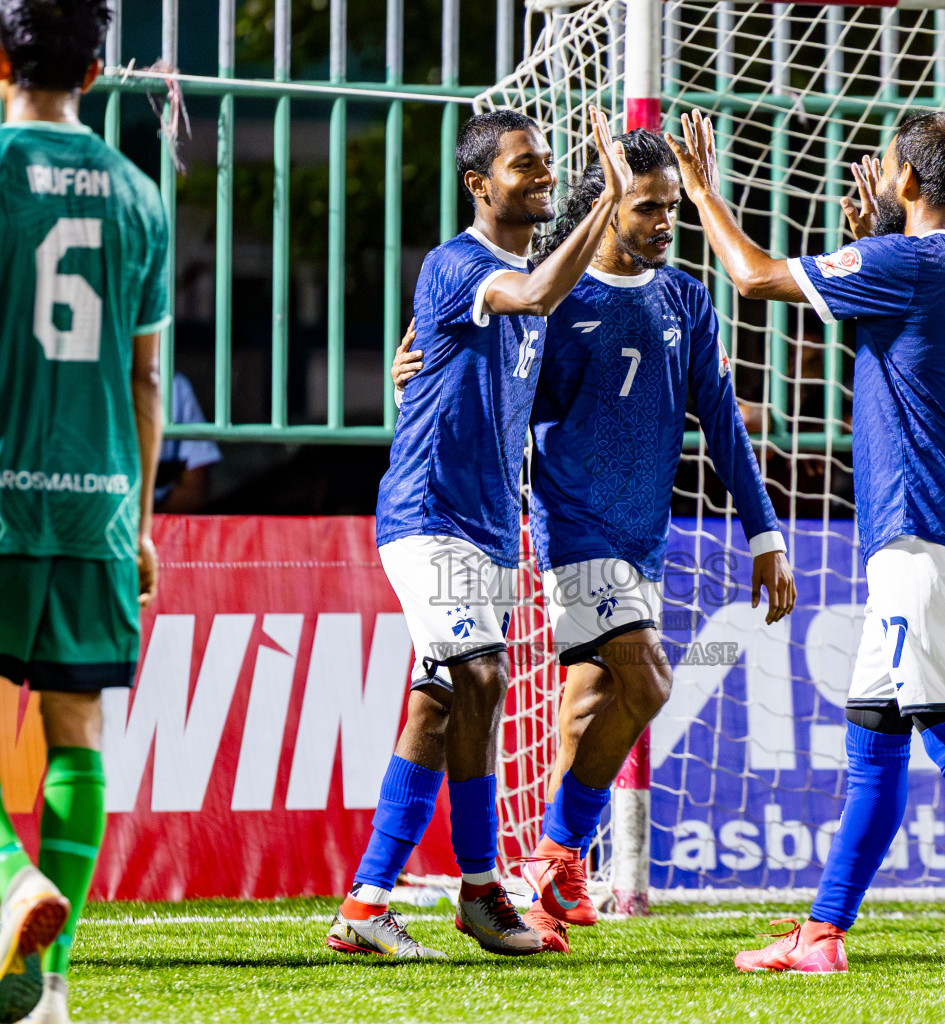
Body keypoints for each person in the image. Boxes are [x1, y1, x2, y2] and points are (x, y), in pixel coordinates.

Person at [667, 108, 945, 981]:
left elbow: (750, 276)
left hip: (921, 527)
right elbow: (904, 342)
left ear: (905, 179)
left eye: (890, 160)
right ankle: (823, 934)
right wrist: (874, 242)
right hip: (939, 523)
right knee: (874, 739)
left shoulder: (910, 263)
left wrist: (703, 192)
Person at [391, 129, 797, 951]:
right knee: (648, 679)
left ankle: (547, 874)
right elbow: (479, 378)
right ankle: (555, 855)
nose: (664, 222)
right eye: (647, 207)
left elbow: (721, 421)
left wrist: (765, 533)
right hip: (572, 526)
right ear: (606, 209)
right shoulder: (555, 295)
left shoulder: (685, 298)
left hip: (645, 532)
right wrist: (413, 374)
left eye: (671, 207)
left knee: (589, 700)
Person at [0, 2, 168, 1020]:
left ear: (0, 60)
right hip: (96, 505)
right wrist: (139, 520)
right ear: (94, 71)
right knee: (76, 724)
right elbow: (146, 377)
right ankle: (52, 988)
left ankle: (13, 878)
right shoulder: (139, 195)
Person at [322, 106, 630, 960]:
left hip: (493, 527)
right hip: (429, 516)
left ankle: (366, 903)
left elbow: (526, 352)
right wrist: (606, 201)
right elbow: (529, 293)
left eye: (546, 161)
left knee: (438, 703)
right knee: (482, 676)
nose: (543, 174)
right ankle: (483, 888)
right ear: (478, 184)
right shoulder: (460, 264)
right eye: (524, 164)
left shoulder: (533, 286)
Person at [153, 372, 220, 512]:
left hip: (160, 518)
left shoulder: (175, 385)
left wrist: (148, 523)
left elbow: (195, 489)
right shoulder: (105, 388)